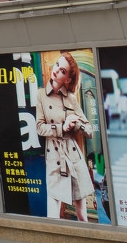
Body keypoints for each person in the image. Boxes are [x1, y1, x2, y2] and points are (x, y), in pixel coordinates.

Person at [36, 51, 95, 222]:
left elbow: (89, 131)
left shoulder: (71, 99)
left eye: (62, 71)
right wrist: (62, 127)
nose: (56, 71)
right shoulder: (41, 95)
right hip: (54, 158)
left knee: (82, 216)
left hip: (73, 157)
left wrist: (74, 123)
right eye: (57, 65)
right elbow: (40, 128)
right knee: (53, 216)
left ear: (68, 79)